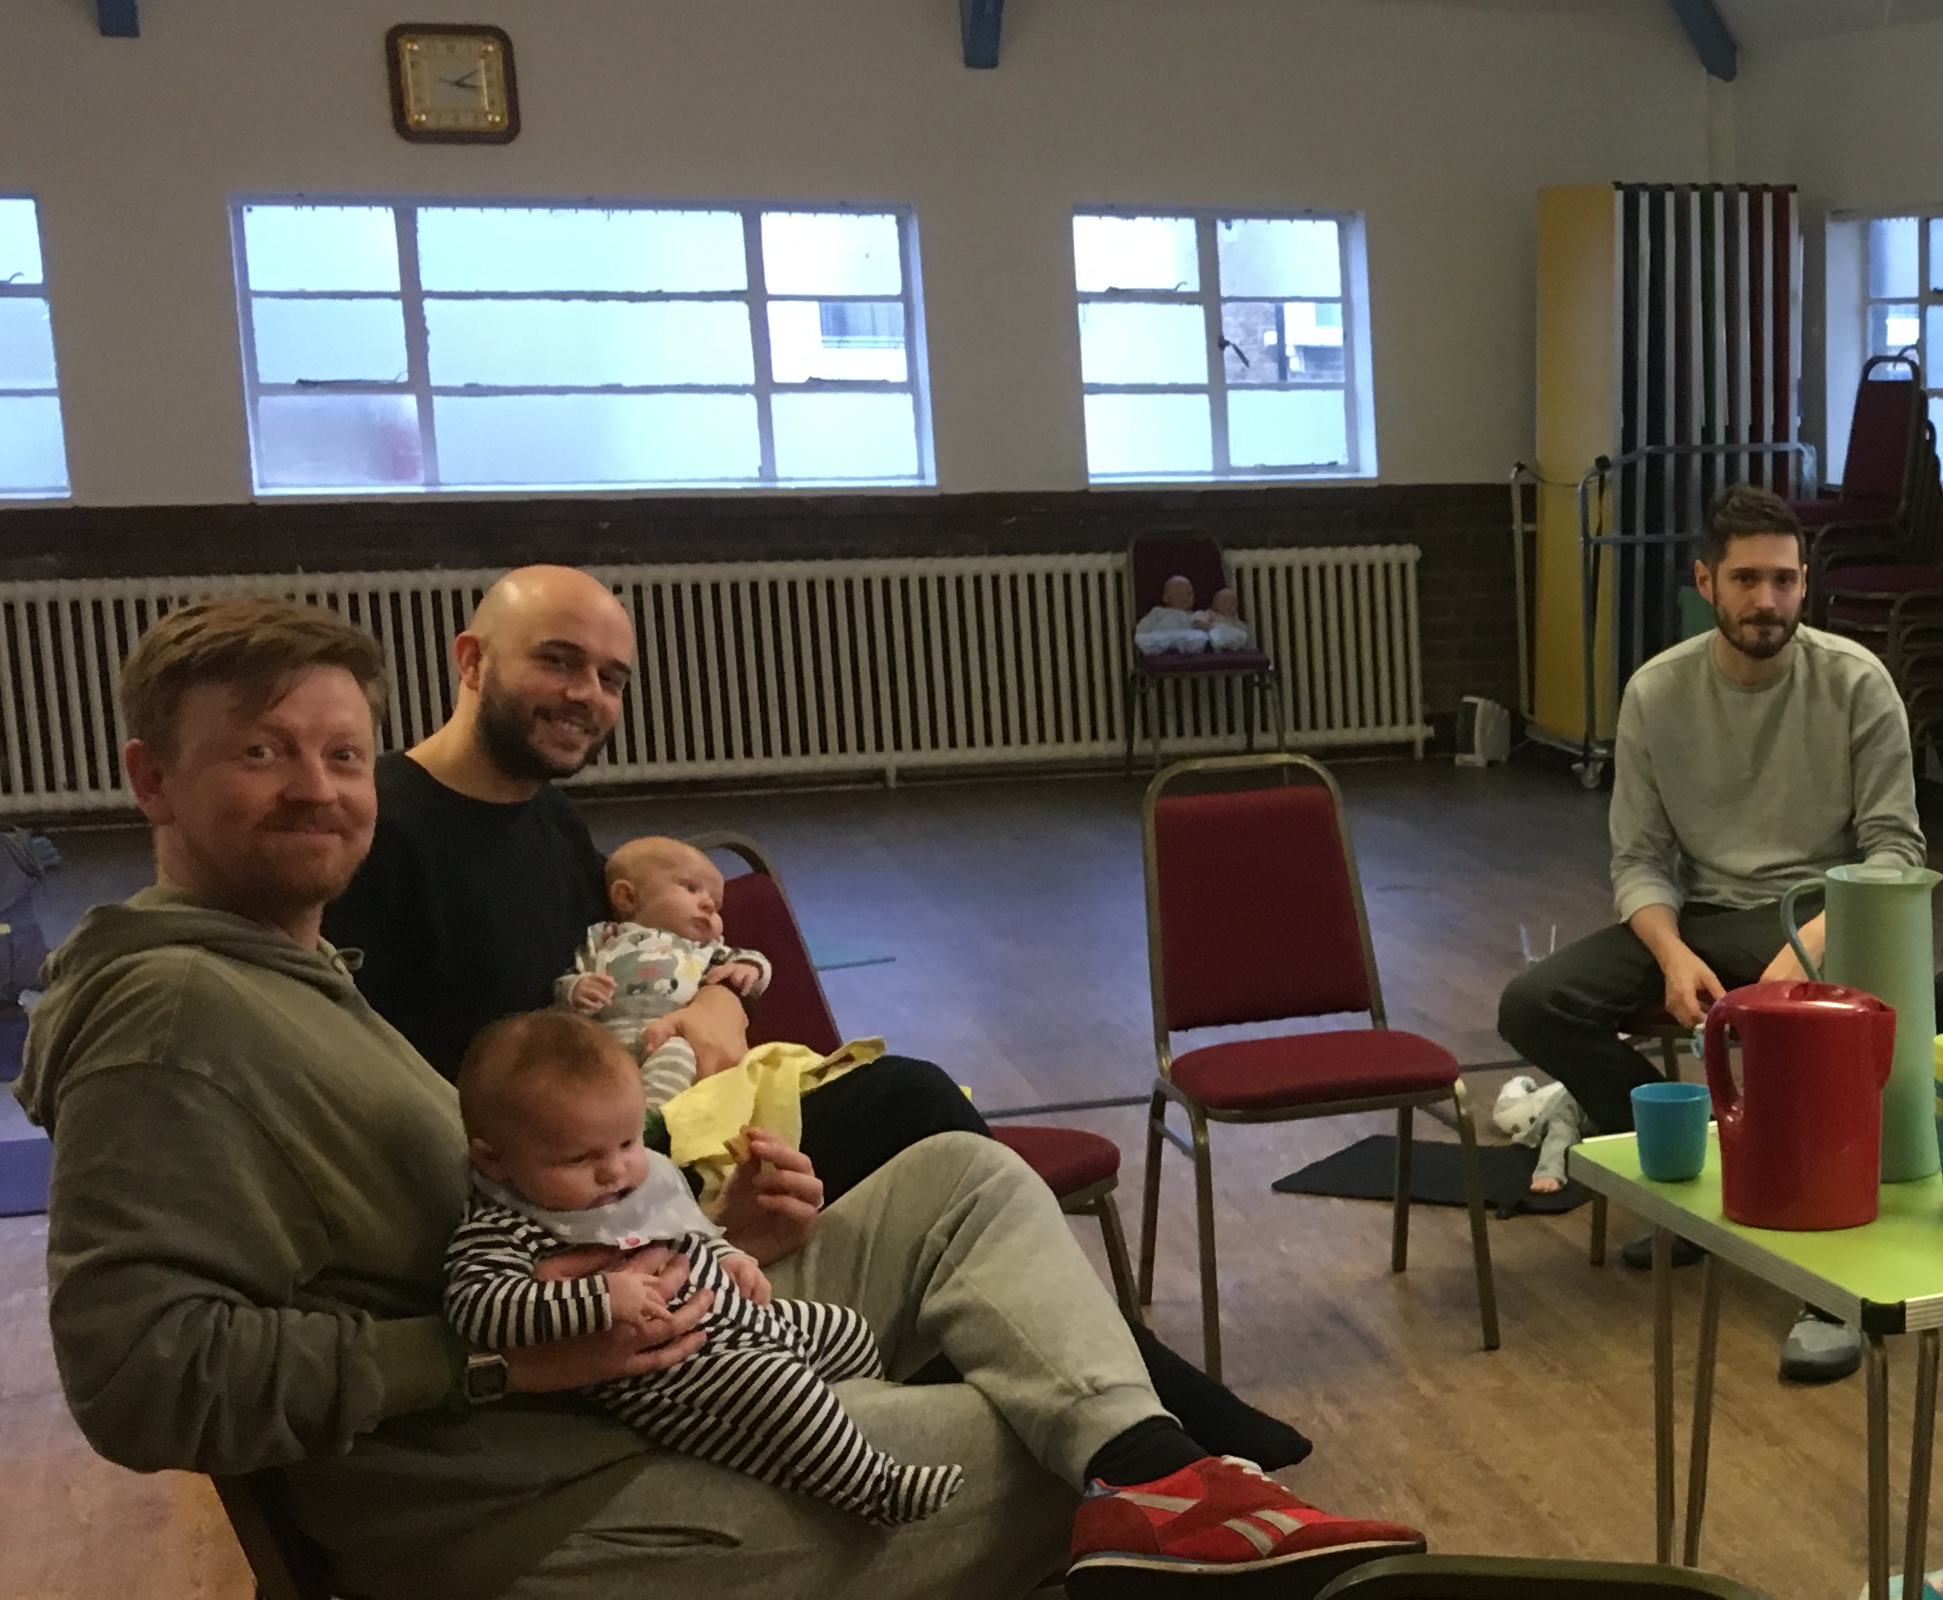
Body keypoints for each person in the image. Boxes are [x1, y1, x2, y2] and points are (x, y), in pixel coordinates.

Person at [21, 600, 1422, 1600]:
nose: (318, 788)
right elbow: (142, 1379)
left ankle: (1155, 1468)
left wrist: (697, 1222)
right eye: (262, 752)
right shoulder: (172, 1018)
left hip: (619, 1378)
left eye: (341, 754)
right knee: (1044, 1464)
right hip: (532, 1519)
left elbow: (476, 1215)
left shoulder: (282, 970)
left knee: (957, 1177)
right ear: (153, 778)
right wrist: (495, 1363)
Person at [320, 563, 1302, 1466]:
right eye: (560, 662)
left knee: (910, 1111)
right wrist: (674, 1217)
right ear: (472, 660)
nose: (589, 696)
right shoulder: (386, 837)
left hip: (636, 1139)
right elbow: (419, 1134)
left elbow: (643, 957)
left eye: (612, 679)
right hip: (565, 1196)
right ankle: (1125, 1421)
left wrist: (714, 997)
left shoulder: (543, 815)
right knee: (908, 1113)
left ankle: (1106, 1416)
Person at [1492, 484, 1921, 1384]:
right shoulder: (1658, 691)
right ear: (1704, 582)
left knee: (1801, 1038)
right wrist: (1672, 954)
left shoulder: (1855, 682)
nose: (1767, 601)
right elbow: (1640, 861)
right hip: (1702, 918)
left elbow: (1894, 851)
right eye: (1746, 580)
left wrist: (1806, 949)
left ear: (1805, 584)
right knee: (1536, 1004)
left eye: (1784, 581)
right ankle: (1692, 1181)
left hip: (1821, 915)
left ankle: (1826, 1284)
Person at [447, 1009, 964, 1526]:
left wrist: (730, 1256)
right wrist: (600, 1298)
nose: (615, 1171)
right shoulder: (503, 1228)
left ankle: (846, 1419)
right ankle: (873, 1490)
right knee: (779, 1385)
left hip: (743, 1321)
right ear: (494, 1160)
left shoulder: (626, 1183)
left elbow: (682, 1231)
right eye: (578, 1159)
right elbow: (477, 1308)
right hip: (676, 1378)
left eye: (627, 1142)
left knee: (847, 1330)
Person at [565, 831, 773, 1101]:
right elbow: (572, 974)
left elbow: (750, 960)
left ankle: (651, 1119)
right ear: (627, 897)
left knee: (678, 1056)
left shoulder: (704, 948)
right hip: (606, 1037)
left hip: (671, 1034)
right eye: (691, 888)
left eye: (717, 904)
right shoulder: (603, 937)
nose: (709, 905)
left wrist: (748, 968)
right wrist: (575, 988)